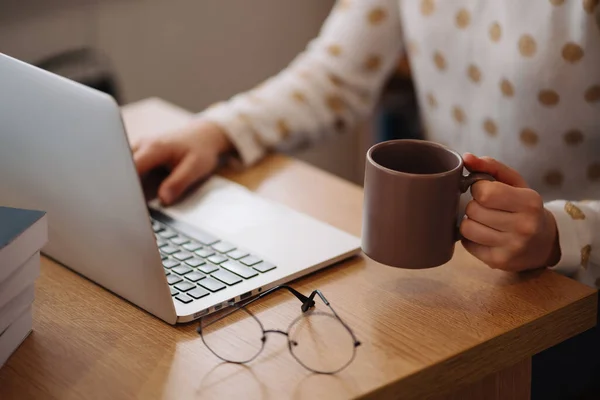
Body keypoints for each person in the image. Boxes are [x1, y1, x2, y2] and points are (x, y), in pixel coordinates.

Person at [131, 1, 600, 397]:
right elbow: (335, 75)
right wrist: (220, 130)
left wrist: (564, 231)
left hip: (573, 304)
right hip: (459, 296)